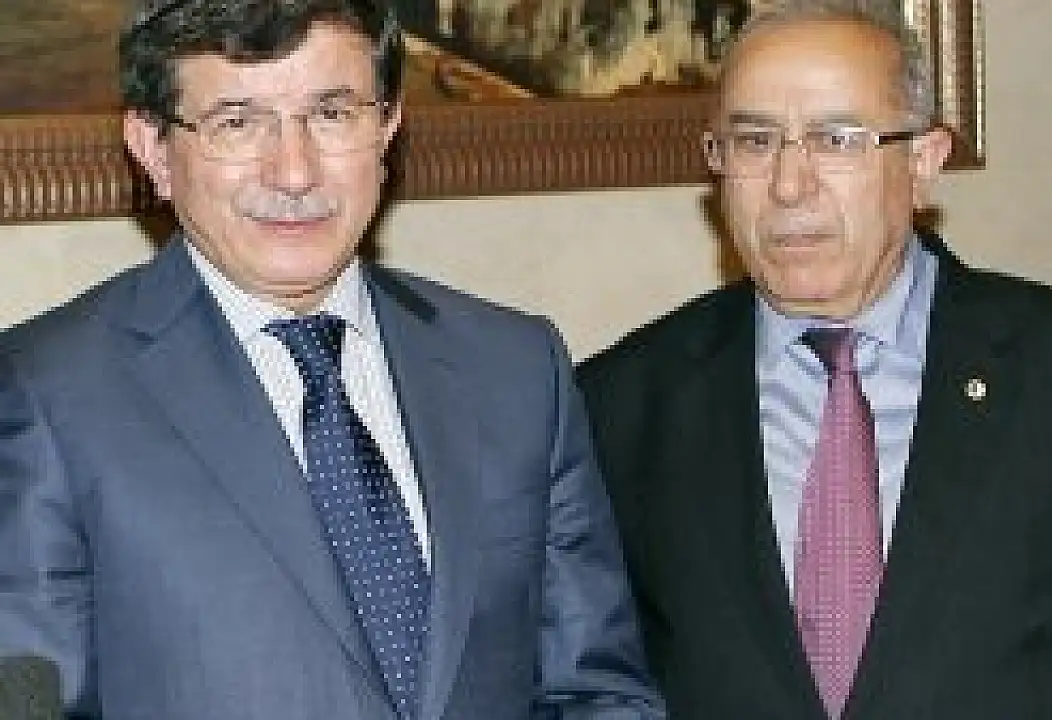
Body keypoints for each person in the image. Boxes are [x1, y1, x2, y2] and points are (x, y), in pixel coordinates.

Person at [577, 6, 1052, 719]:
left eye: (836, 140)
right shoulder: (622, 407)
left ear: (924, 163)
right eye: (753, 141)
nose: (788, 185)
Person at [0, 1, 664, 718]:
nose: (294, 172)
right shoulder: (48, 393)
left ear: (388, 126)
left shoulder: (516, 368)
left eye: (332, 113)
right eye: (237, 122)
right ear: (153, 148)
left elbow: (598, 691)